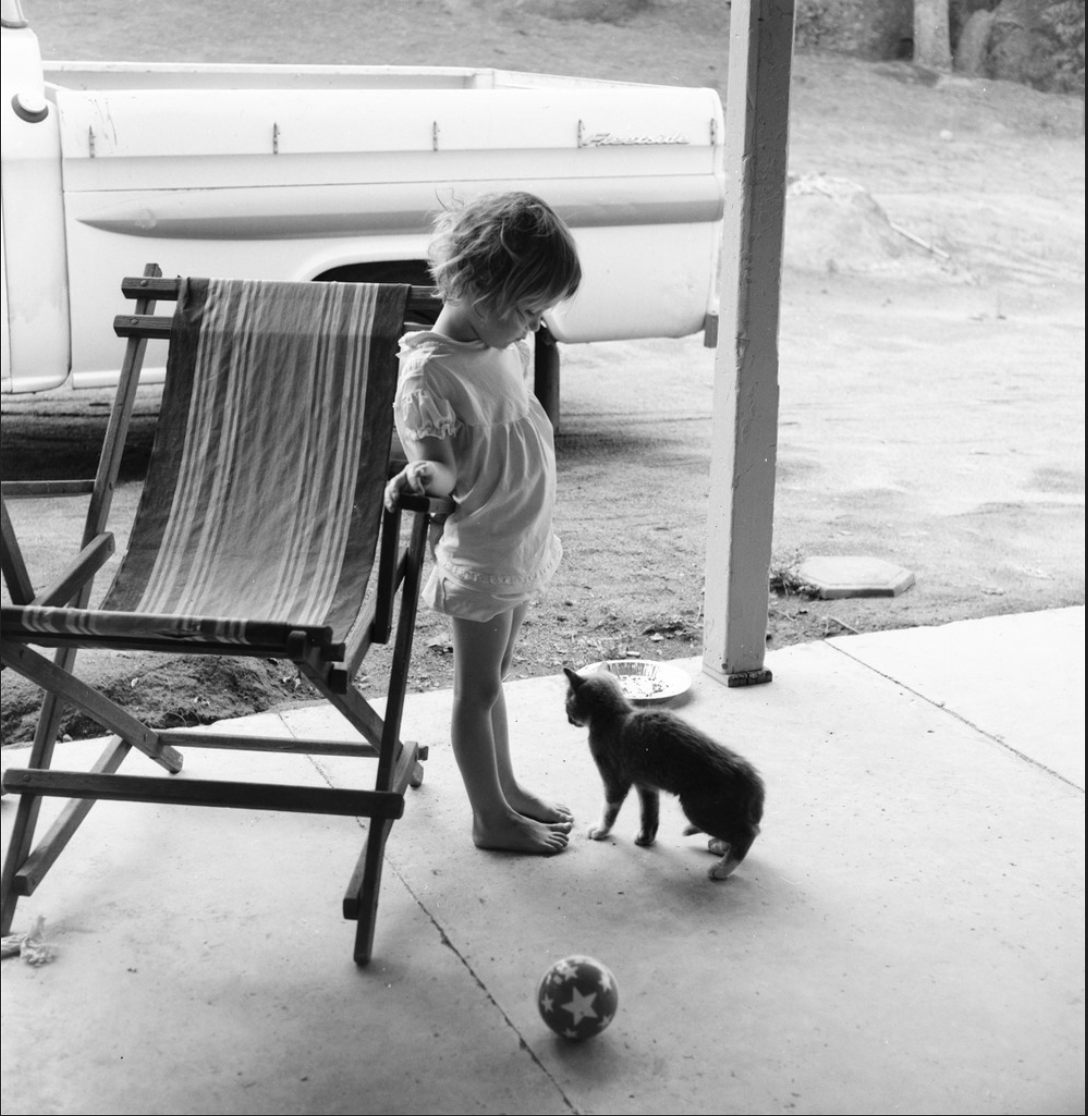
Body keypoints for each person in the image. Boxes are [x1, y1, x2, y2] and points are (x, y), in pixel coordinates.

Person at [384, 192, 582, 855]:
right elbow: (437, 469)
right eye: (528, 310)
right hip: (484, 550)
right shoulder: (430, 374)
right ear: (477, 287)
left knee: (494, 679)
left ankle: (506, 788)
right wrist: (420, 478)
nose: (533, 327)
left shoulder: (499, 343)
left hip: (519, 541)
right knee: (475, 691)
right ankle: (488, 818)